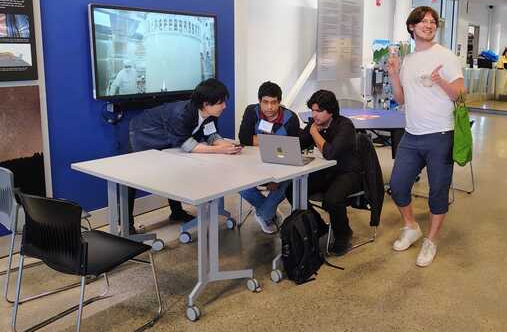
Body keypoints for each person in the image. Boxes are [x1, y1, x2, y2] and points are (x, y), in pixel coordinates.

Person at [386, 6, 465, 267]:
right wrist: (393, 74)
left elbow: (460, 93)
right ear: (412, 26)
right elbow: (401, 99)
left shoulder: (446, 56)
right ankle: (411, 227)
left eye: (432, 22)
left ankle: (431, 240)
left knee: (438, 192)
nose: (429, 25)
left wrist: (440, 81)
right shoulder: (408, 60)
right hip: (412, 135)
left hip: (440, 134)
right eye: (423, 21)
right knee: (398, 185)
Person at [127, 78, 241, 234]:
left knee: (174, 171)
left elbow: (211, 135)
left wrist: (227, 145)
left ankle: (176, 212)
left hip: (169, 136)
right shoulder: (181, 114)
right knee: (131, 178)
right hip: (144, 133)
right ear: (206, 104)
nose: (224, 106)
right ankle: (126, 224)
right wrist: (220, 150)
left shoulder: (211, 113)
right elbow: (187, 145)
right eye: (220, 103)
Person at [300, 90, 362, 256]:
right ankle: (318, 226)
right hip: (326, 171)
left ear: (331, 111)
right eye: (312, 110)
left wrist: (314, 133)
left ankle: (343, 234)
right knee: (293, 190)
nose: (314, 115)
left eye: (319, 111)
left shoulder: (345, 126)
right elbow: (299, 143)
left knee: (332, 199)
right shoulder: (314, 123)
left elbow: (330, 153)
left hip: (348, 172)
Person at [237, 81, 300, 233]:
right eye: (265, 102)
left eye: (274, 102)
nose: (269, 107)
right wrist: (276, 142)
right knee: (239, 184)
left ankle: (264, 214)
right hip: (254, 165)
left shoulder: (290, 118)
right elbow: (244, 138)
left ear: (280, 102)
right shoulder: (252, 111)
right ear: (259, 101)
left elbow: (292, 149)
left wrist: (275, 178)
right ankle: (269, 212)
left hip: (282, 167)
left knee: (288, 183)